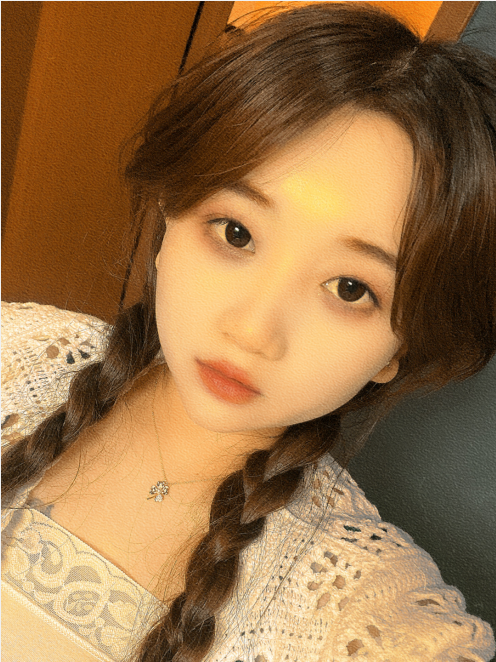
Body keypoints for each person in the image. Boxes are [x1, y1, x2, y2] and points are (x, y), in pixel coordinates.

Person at [2, 3, 495, 661]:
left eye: (350, 289)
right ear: (170, 214)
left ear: (399, 348)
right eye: (236, 233)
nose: (252, 329)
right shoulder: (13, 355)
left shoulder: (360, 604)